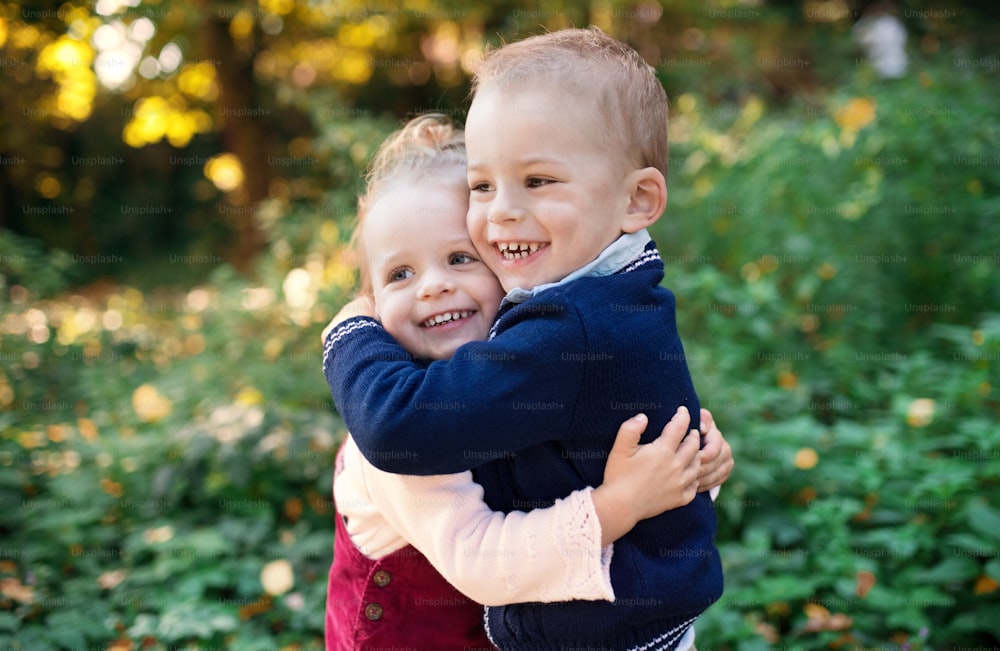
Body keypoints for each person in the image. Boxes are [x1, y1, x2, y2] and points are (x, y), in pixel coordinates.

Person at [324, 28, 727, 649]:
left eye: (537, 181)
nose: (503, 212)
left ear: (637, 198)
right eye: (483, 188)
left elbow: (402, 424)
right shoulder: (616, 290)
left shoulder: (568, 325)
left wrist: (347, 333)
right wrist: (689, 461)